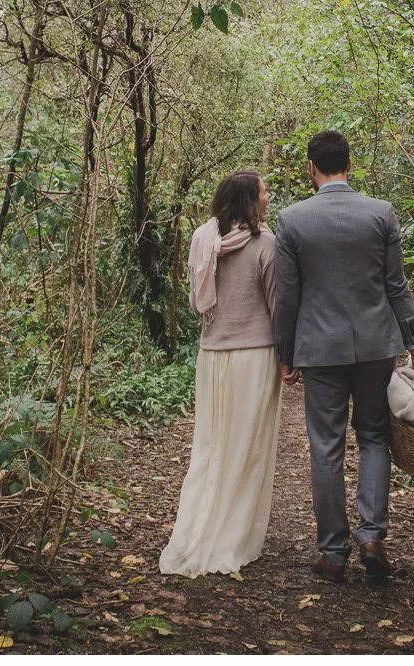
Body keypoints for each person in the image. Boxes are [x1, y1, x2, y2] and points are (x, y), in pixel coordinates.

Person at [274, 130, 414, 585]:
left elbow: (287, 296)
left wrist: (285, 353)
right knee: (374, 437)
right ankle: (372, 538)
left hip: (319, 349)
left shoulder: (292, 220)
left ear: (311, 167)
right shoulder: (380, 213)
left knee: (326, 446)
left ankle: (333, 554)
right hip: (375, 346)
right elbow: (396, 286)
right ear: (350, 163)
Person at [160, 171, 281, 578]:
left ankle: (200, 526)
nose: (268, 196)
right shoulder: (265, 244)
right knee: (248, 446)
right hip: (255, 356)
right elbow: (277, 305)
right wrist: (288, 357)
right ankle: (234, 537)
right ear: (249, 199)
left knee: (211, 445)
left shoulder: (204, 239)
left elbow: (198, 302)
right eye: (263, 191)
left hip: (212, 356)